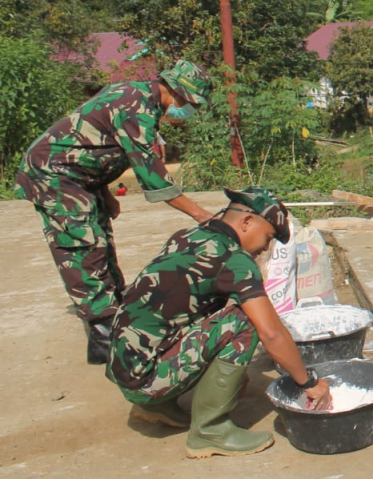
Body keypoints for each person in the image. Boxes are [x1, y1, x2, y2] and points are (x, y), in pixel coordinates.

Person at [13, 60, 217, 365]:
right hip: (56, 174)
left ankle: (113, 314)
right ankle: (102, 332)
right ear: (177, 92)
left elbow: (95, 143)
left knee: (102, 243)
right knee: (82, 247)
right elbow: (153, 175)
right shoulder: (136, 107)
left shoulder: (137, 98)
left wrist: (105, 191)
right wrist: (202, 215)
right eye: (190, 104)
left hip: (81, 176)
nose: (189, 112)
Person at [107, 187, 332, 459]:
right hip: (146, 380)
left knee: (210, 314)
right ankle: (209, 432)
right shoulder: (234, 260)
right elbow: (271, 332)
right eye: (268, 237)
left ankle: (157, 406)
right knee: (245, 321)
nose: (266, 247)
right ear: (247, 222)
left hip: (125, 367)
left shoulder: (187, 237)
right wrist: (308, 382)